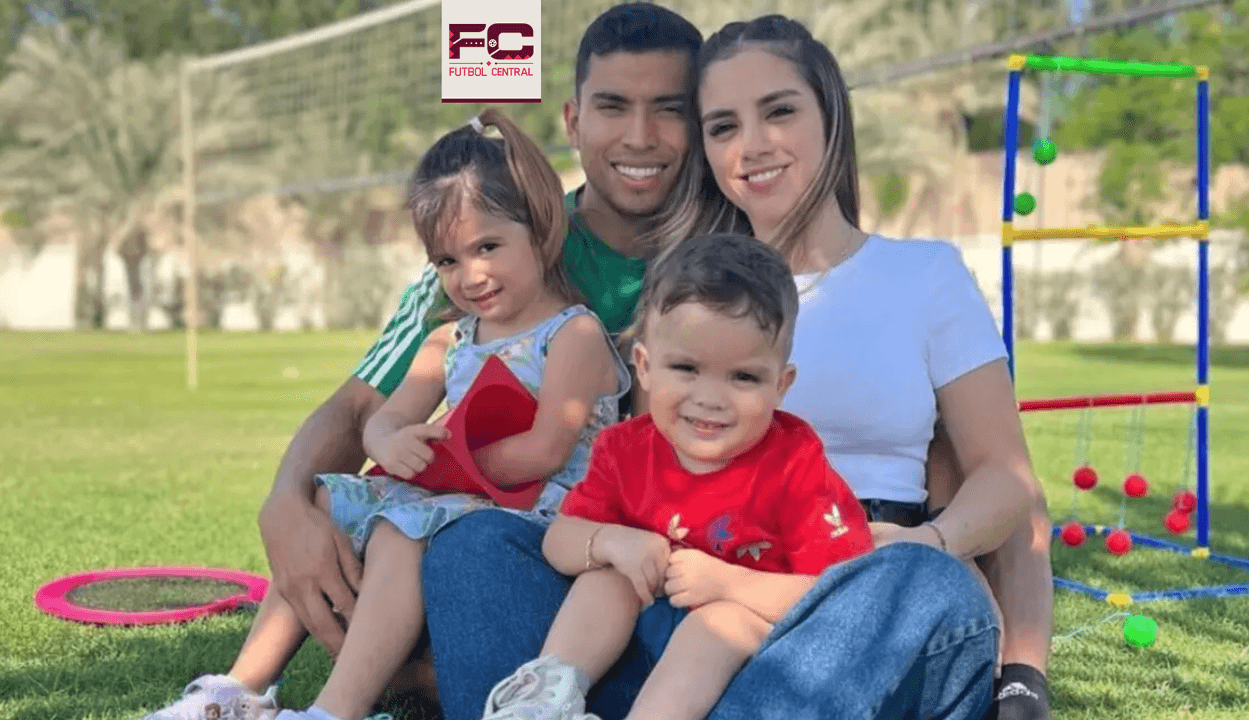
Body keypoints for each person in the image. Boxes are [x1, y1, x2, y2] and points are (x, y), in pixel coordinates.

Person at [246, 4, 713, 718]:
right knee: (423, 536)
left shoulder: (725, 262)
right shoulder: (488, 242)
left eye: (669, 109)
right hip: (484, 530)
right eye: (613, 106)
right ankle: (252, 689)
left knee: (474, 555)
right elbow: (366, 403)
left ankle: (425, 674)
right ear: (572, 120)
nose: (640, 135)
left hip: (596, 549)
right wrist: (286, 502)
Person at [135, 108, 630, 720]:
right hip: (463, 493)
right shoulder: (450, 339)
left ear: (541, 228)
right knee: (324, 504)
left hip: (540, 510)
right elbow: (383, 420)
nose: (471, 275)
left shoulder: (573, 334)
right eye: (447, 261)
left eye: (487, 247)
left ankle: (335, 709)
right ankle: (236, 687)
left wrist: (445, 462)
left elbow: (547, 449)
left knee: (401, 527)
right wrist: (391, 443)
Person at [691, 14, 1054, 719]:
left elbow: (1007, 479)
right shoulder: (692, 297)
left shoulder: (924, 276)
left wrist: (925, 546)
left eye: (779, 111)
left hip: (894, 576)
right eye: (723, 126)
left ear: (831, 115)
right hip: (740, 583)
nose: (752, 144)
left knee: (918, 587)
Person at [479, 234, 873, 720]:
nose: (709, 398)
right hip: (635, 640)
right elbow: (559, 540)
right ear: (645, 367)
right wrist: (610, 541)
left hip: (752, 660)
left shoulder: (795, 464)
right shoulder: (625, 449)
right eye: (686, 368)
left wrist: (730, 585)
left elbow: (845, 595)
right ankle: (546, 697)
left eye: (743, 377)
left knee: (720, 622)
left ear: (781, 385)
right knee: (609, 575)